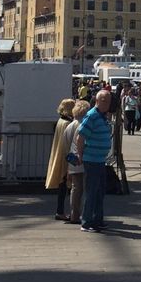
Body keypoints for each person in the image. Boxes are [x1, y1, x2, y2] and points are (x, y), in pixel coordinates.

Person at [74, 90, 113, 233]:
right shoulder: (92, 116)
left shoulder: (101, 116)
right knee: (92, 191)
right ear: (97, 101)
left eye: (108, 101)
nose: (107, 104)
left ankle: (97, 220)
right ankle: (86, 222)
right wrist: (80, 155)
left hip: (100, 159)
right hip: (92, 160)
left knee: (99, 191)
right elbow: (81, 137)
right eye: (103, 101)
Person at [45, 98, 74, 220]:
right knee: (66, 186)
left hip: (60, 153)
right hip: (65, 156)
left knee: (63, 186)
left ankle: (60, 211)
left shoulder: (60, 121)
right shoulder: (67, 123)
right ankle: (62, 211)